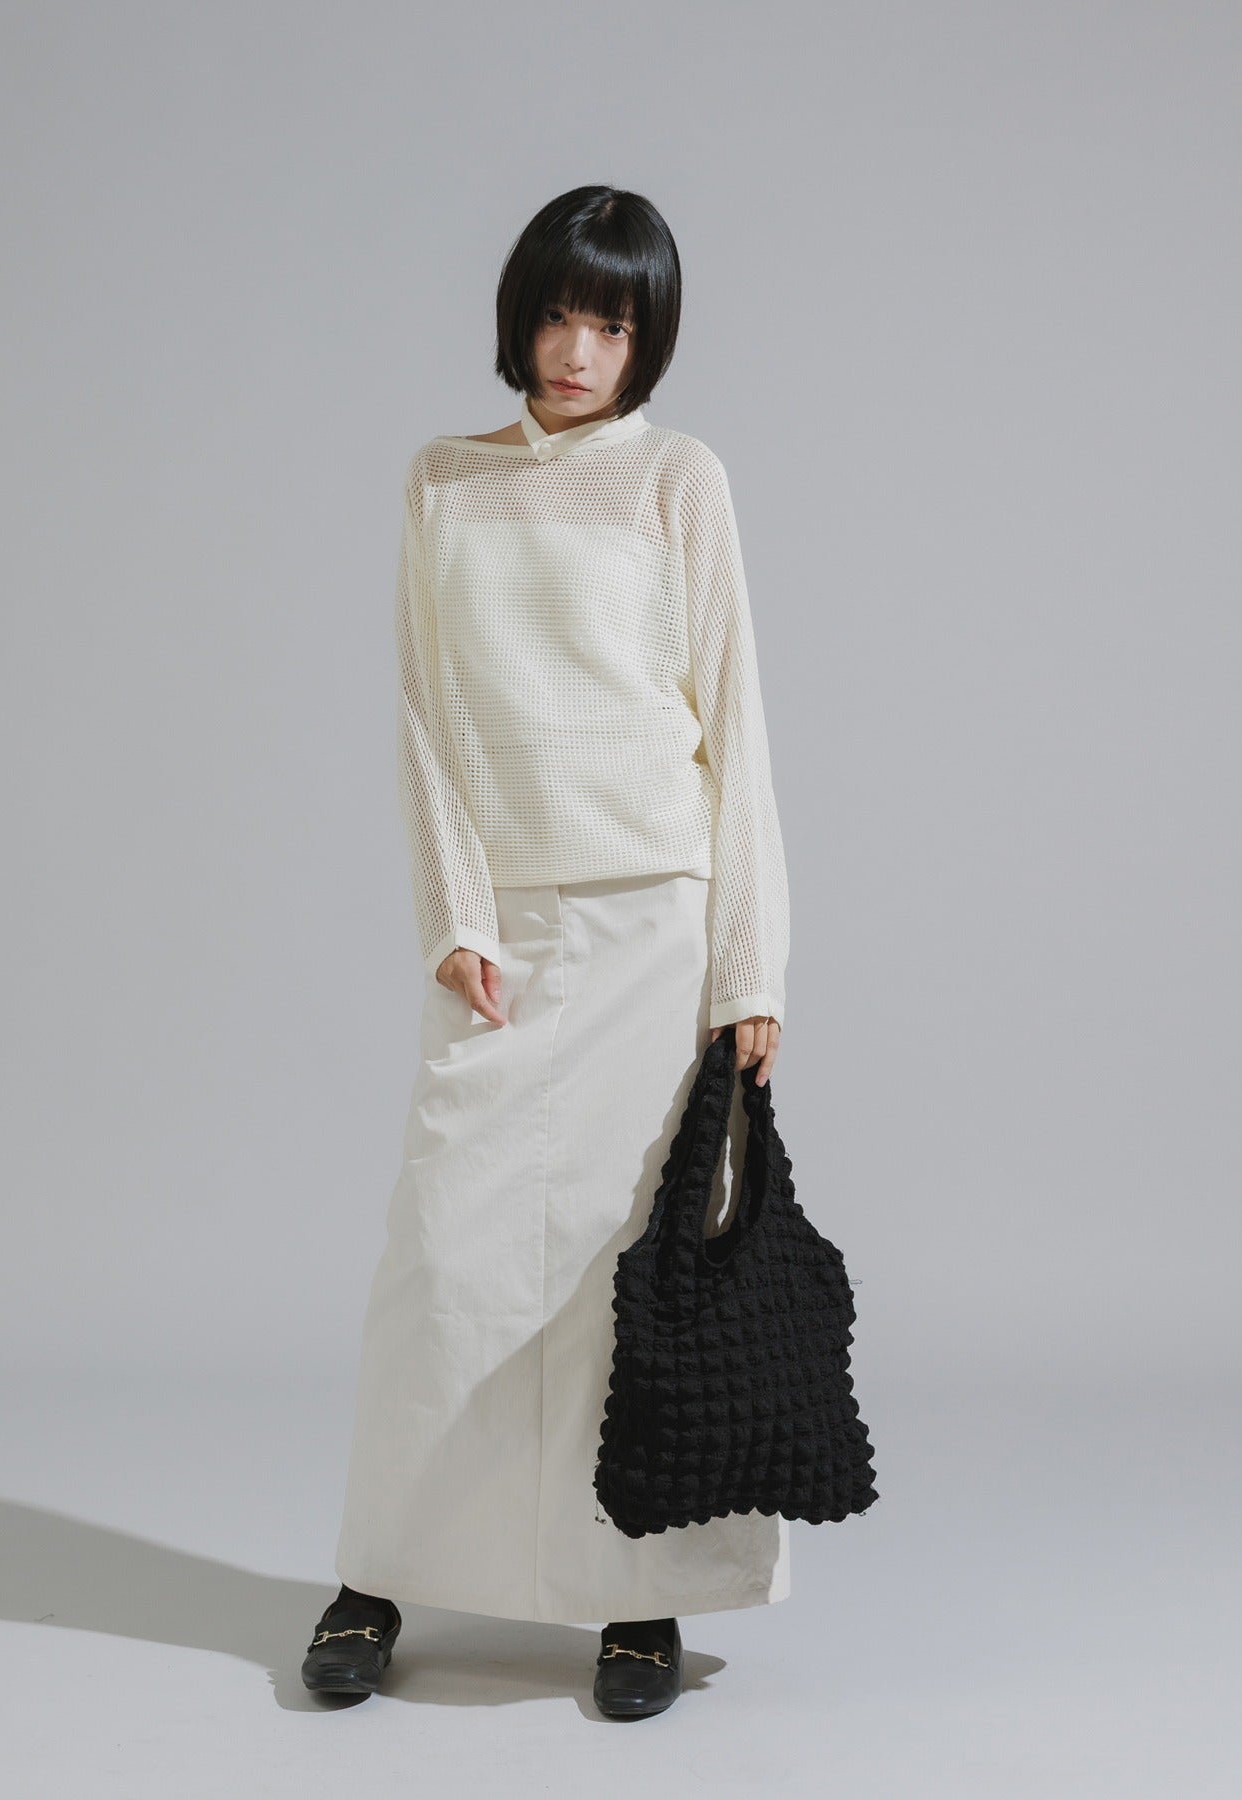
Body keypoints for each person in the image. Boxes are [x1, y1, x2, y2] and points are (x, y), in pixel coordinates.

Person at [302, 184, 790, 1719]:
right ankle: (375, 1574)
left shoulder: (678, 479)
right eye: (561, 315)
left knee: (624, 1274)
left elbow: (735, 720)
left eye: (613, 326)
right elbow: (423, 711)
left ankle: (637, 1600)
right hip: (505, 929)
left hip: (654, 916)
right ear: (520, 315)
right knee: (440, 1264)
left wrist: (750, 967)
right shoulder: (443, 480)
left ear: (648, 343)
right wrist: (454, 915)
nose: (579, 351)